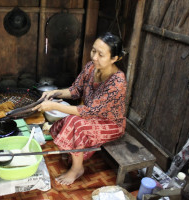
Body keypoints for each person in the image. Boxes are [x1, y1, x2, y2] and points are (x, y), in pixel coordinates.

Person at [32, 32, 127, 185]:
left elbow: (88, 111)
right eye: (93, 51)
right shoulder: (91, 67)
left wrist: (54, 105)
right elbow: (75, 90)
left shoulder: (117, 82)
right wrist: (54, 93)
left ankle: (77, 169)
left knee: (77, 124)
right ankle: (72, 153)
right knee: (70, 120)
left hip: (111, 124)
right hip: (92, 116)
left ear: (114, 58)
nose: (94, 57)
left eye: (101, 54)